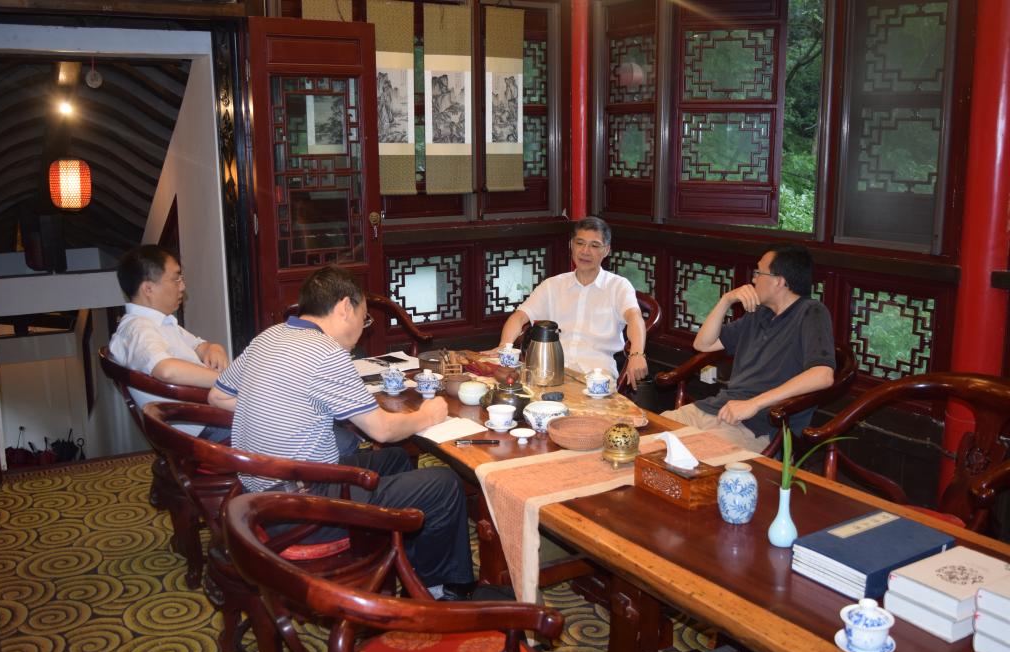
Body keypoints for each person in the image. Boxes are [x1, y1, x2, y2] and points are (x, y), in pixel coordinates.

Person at [208, 265, 474, 599]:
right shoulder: (325, 353)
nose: (363, 329)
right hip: (302, 510)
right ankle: (437, 591)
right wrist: (427, 415)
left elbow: (217, 396)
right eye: (365, 318)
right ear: (345, 307)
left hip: (257, 496)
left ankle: (408, 563)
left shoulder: (269, 336)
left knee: (394, 460)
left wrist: (282, 404)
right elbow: (382, 430)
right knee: (444, 484)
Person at [662, 244, 835, 452]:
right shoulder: (759, 314)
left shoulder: (811, 312)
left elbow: (823, 375)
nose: (753, 279)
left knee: (689, 457)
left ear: (779, 281)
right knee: (650, 435)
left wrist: (754, 404)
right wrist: (726, 300)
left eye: (758, 272)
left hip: (757, 427)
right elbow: (703, 344)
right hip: (716, 410)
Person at [495, 216, 649, 389]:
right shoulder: (553, 285)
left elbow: (634, 317)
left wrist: (637, 354)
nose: (585, 251)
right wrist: (504, 347)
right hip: (549, 370)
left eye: (594, 245)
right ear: (571, 245)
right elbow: (519, 317)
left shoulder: (618, 286)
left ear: (606, 250)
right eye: (580, 243)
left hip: (596, 377)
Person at [109, 245, 229, 437]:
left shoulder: (161, 322)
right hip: (207, 426)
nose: (182, 286)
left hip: (212, 415)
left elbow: (199, 346)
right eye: (176, 279)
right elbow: (166, 369)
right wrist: (228, 381)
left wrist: (213, 348)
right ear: (148, 289)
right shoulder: (137, 329)